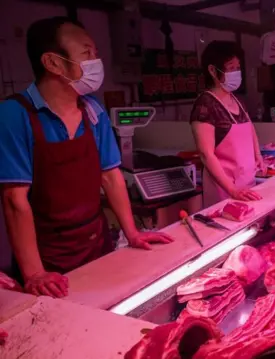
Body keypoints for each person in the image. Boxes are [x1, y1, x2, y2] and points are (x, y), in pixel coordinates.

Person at [0, 17, 173, 298]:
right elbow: (14, 200)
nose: (97, 60)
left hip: (96, 243)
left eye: (96, 53)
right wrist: (34, 274)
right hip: (47, 257)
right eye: (87, 53)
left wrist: (133, 233)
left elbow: (111, 176)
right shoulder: (13, 115)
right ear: (53, 63)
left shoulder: (93, 110)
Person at [190, 41, 265, 207]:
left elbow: (249, 127)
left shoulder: (235, 100)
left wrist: (258, 155)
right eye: (231, 68)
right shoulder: (205, 105)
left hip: (246, 185)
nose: (237, 73)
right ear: (212, 70)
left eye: (238, 68)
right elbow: (206, 154)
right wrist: (232, 190)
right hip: (223, 191)